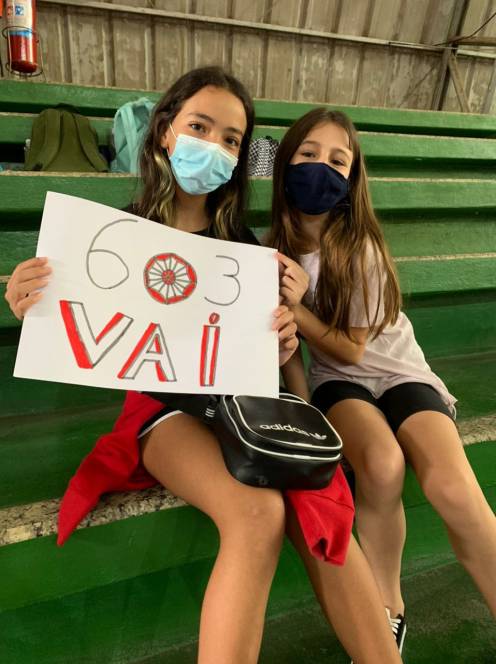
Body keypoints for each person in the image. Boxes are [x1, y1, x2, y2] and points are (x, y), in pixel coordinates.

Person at [5, 68, 402, 664]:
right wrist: (30, 302)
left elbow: (272, 364)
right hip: (163, 412)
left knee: (318, 497)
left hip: (242, 406)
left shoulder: (248, 253)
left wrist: (283, 345)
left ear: (240, 158)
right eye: (199, 126)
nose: (213, 145)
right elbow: (79, 334)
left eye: (231, 139)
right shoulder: (106, 239)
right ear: (166, 130)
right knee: (258, 512)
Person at [268, 106, 496, 656]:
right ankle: (388, 608)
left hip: (399, 372)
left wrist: (297, 309)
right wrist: (304, 407)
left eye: (337, 161)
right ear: (286, 162)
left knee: (452, 487)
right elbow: (294, 350)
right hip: (336, 383)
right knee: (381, 464)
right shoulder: (269, 250)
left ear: (352, 178)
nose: (321, 167)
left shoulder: (360, 245)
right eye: (308, 154)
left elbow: (352, 347)